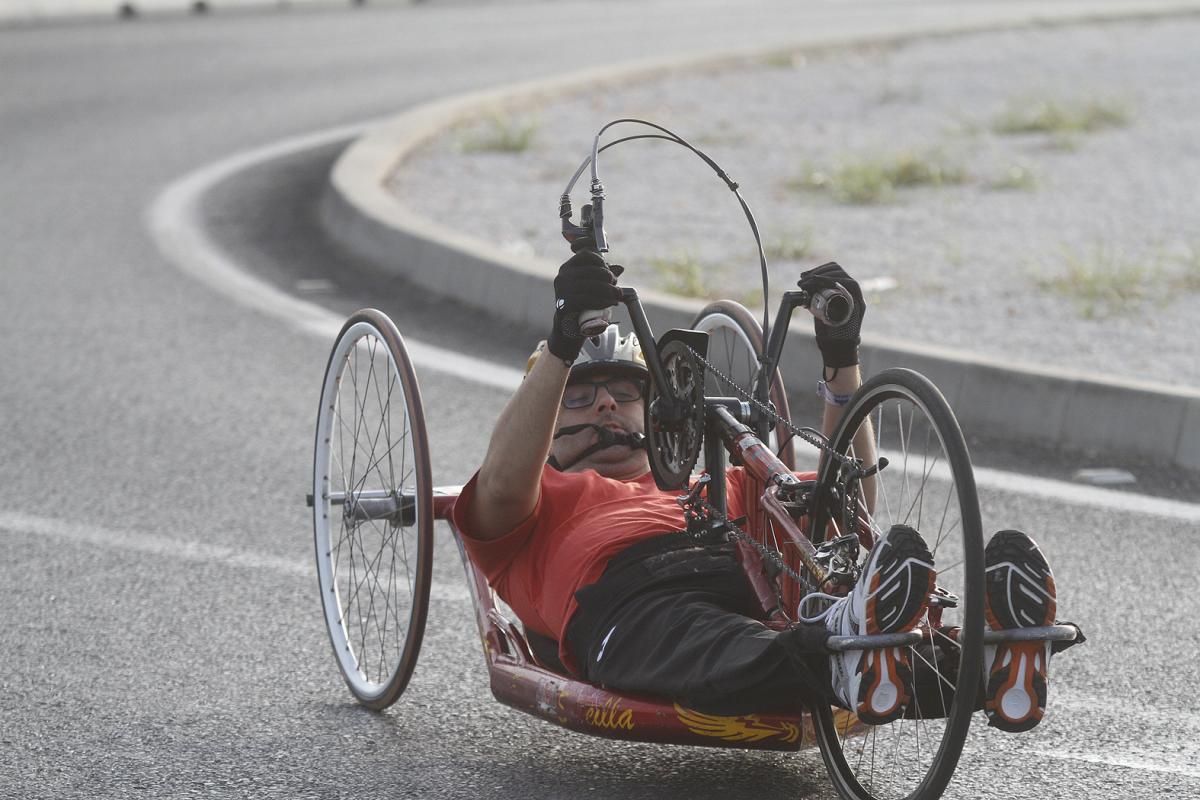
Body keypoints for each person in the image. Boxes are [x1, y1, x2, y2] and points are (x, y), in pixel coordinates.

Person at [451, 251, 1065, 731]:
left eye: (625, 391)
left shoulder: (719, 480)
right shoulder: (531, 507)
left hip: (749, 583)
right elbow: (505, 477)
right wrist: (562, 343)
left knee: (815, 611)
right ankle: (853, 644)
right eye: (579, 397)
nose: (608, 403)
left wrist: (840, 354)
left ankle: (988, 657)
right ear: (544, 423)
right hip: (628, 603)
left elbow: (846, 506)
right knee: (726, 644)